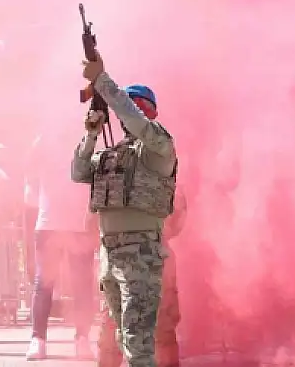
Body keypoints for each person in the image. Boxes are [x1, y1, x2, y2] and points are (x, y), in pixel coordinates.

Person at [73, 53, 178, 367]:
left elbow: (135, 119)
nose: (126, 114)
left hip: (140, 254)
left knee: (137, 342)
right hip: (111, 255)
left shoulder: (159, 147)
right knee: (121, 336)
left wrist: (103, 82)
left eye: (136, 105)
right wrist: (91, 133)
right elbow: (79, 171)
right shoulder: (113, 155)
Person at [24, 133, 95, 361]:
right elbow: (29, 177)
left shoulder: (89, 141)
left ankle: (82, 338)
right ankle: (38, 339)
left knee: (82, 284)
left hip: (79, 225)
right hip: (48, 223)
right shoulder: (44, 141)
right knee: (44, 283)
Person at [98, 186, 187, 367]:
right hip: (153, 256)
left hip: (122, 256)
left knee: (115, 324)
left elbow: (92, 221)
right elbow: (177, 219)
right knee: (160, 328)